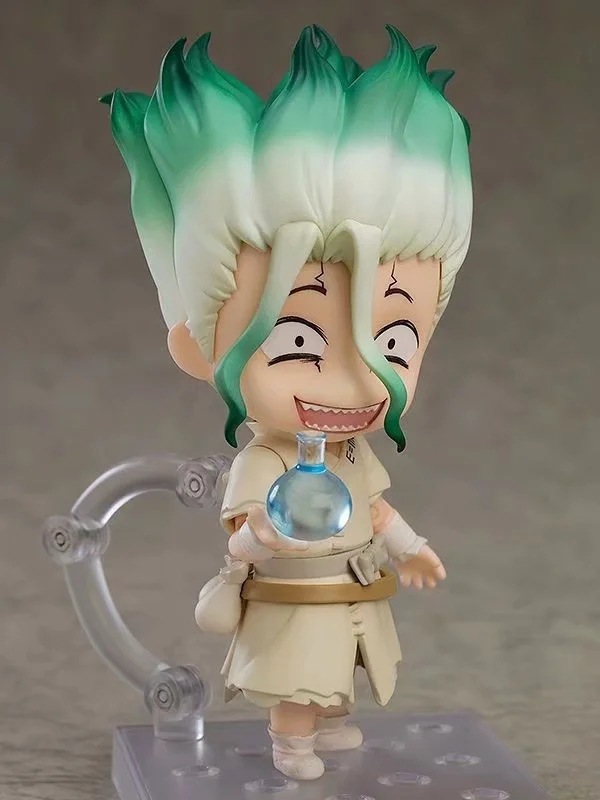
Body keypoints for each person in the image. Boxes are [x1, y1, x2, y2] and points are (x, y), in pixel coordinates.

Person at [103, 23, 472, 780]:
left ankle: (326, 726)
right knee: (297, 672)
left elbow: (375, 510)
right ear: (197, 344)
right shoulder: (267, 460)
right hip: (289, 592)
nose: (353, 381)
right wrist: (258, 539)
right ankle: (290, 742)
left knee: (342, 670)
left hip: (351, 589)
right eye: (299, 341)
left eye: (395, 341)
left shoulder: (354, 454)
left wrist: (411, 546)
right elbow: (242, 530)